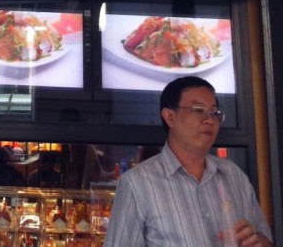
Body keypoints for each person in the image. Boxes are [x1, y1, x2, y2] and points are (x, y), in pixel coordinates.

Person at [104, 76, 273, 247]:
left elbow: (265, 238)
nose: (209, 120)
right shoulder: (137, 183)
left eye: (214, 113)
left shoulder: (233, 175)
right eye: (198, 110)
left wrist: (257, 241)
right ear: (170, 117)